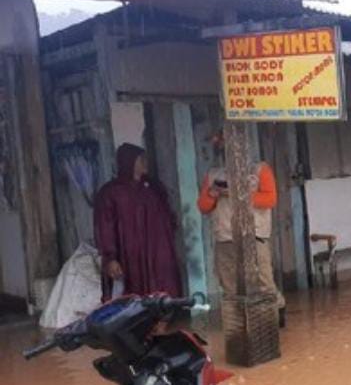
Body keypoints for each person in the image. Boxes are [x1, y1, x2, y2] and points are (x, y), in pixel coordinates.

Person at [197, 132, 286, 326]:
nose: (224, 150)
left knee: (264, 283)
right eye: (221, 147)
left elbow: (270, 199)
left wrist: (240, 195)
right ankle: (239, 326)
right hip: (225, 239)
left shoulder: (260, 170)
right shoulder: (214, 175)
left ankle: (274, 320)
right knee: (229, 286)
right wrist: (213, 193)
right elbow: (203, 206)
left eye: (227, 146)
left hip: (255, 236)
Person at [93, 143, 183, 301]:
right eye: (141, 159)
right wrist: (110, 257)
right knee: (135, 295)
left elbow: (168, 215)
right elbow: (105, 226)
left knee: (165, 290)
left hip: (157, 252)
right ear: (129, 162)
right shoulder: (111, 192)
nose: (145, 162)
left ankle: (166, 320)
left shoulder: (154, 188)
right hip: (130, 255)